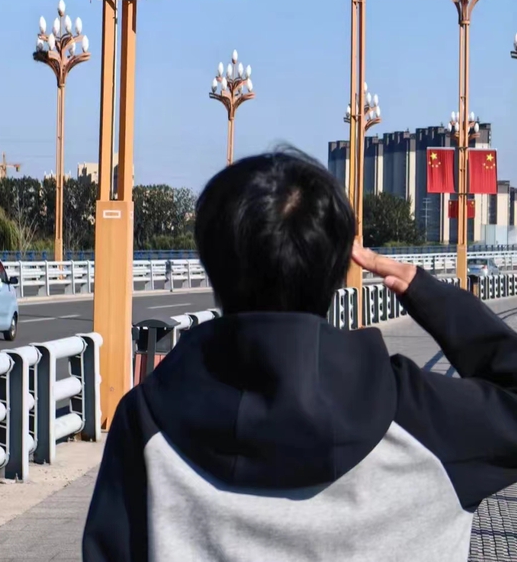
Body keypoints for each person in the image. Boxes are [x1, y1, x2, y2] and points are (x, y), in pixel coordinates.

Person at [83, 148, 517, 562]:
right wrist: (427, 293)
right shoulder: (428, 421)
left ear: (212, 264)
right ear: (338, 267)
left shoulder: (149, 421)